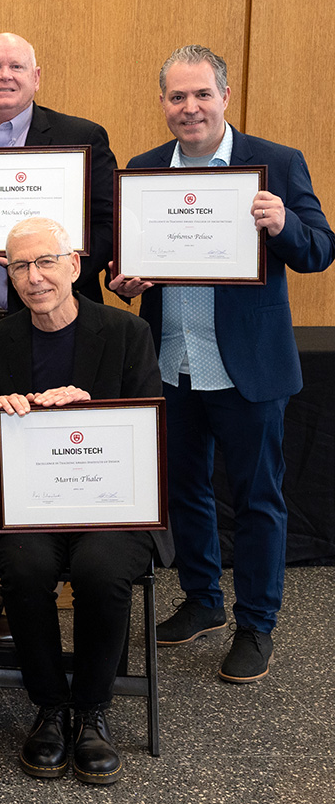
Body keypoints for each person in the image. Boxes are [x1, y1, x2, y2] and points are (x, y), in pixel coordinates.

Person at [110, 45, 335, 683]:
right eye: (177, 98)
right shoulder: (145, 170)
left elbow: (320, 250)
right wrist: (122, 283)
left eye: (201, 95)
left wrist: (284, 222)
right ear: (163, 105)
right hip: (171, 362)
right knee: (185, 491)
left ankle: (256, 624)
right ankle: (204, 600)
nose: (190, 108)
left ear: (225, 97)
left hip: (248, 370)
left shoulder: (276, 164)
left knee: (259, 499)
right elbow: (122, 266)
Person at [0, 217, 171, 785]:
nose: (33, 278)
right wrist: (1, 418)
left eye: (45, 262)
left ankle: (92, 709)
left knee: (101, 569)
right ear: (7, 275)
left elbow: (150, 429)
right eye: (19, 267)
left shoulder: (127, 333)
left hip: (113, 503)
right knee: (25, 567)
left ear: (75, 265)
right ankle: (49, 707)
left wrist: (89, 407)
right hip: (33, 504)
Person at [0, 33, 117, 400]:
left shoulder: (80, 137)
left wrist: (55, 263)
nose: (4, 76)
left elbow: (108, 227)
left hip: (55, 327)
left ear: (37, 77)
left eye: (16, 66)